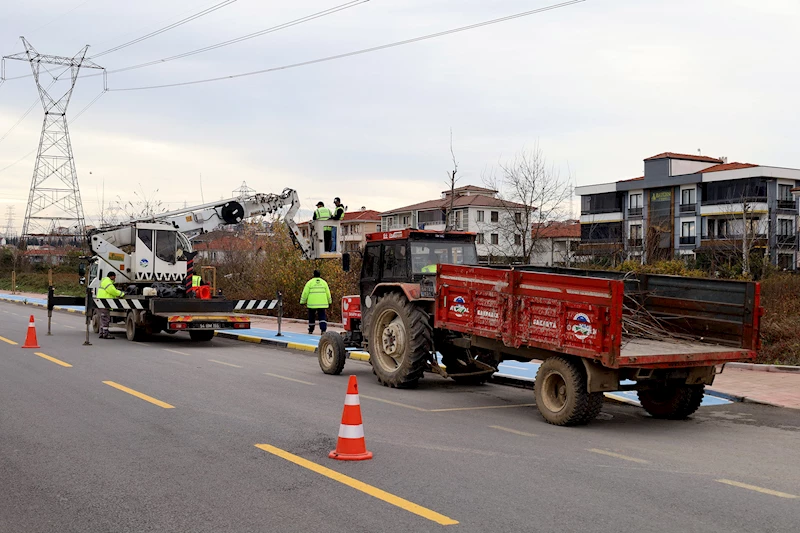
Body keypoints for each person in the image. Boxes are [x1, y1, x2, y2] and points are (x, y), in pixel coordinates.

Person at [300, 269, 332, 334]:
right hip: (322, 303)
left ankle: (311, 329)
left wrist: (302, 301)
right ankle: (323, 330)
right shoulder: (324, 283)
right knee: (322, 316)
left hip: (312, 304)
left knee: (311, 316)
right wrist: (329, 301)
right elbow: (328, 293)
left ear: (313, 275)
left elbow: (305, 293)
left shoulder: (310, 283)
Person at [96, 272, 124, 339]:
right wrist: (121, 294)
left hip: (102, 302)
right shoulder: (107, 282)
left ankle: (101, 333)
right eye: (114, 277)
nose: (115, 278)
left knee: (102, 319)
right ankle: (105, 334)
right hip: (105, 303)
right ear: (111, 276)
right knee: (105, 319)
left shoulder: (105, 281)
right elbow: (112, 291)